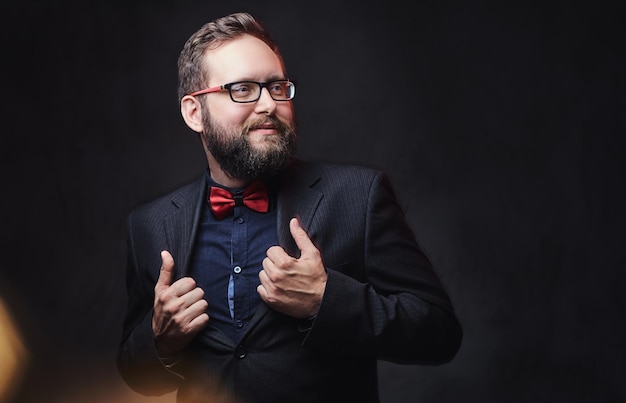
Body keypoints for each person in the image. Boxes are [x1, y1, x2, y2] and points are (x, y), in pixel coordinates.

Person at [116, 11, 462, 403]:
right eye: (243, 89)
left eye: (278, 87)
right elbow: (135, 371)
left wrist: (327, 300)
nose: (268, 104)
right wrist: (160, 339)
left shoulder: (358, 196)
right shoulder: (150, 225)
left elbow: (440, 333)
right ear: (194, 112)